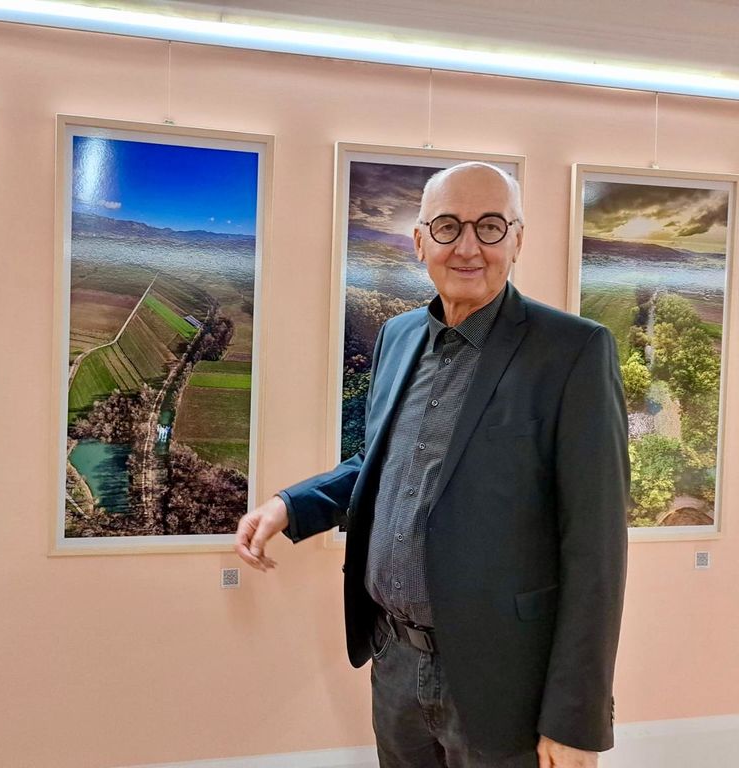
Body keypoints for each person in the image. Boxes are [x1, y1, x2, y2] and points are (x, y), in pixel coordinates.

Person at [235, 162, 628, 768]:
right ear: (420, 242)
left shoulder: (573, 351)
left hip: (504, 681)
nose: (468, 247)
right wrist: (291, 505)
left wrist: (575, 720)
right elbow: (383, 460)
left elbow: (595, 549)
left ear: (518, 239)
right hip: (394, 661)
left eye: (490, 226)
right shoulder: (397, 337)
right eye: (447, 227)